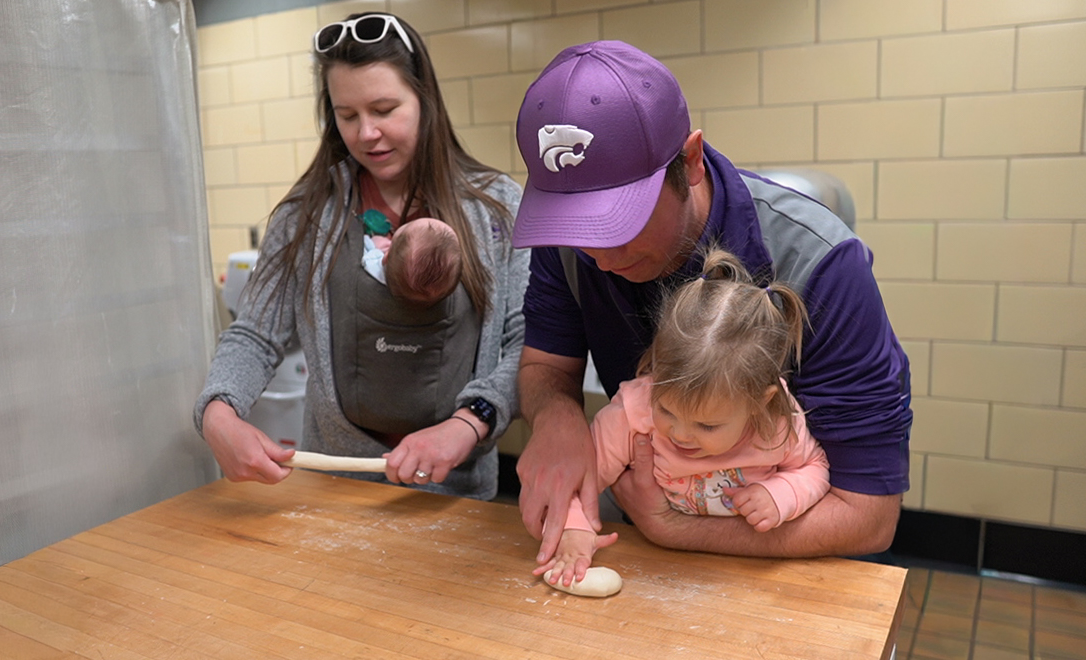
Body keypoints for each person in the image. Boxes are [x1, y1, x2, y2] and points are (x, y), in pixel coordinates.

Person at [512, 40, 912, 560]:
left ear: (691, 160)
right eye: (577, 226)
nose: (599, 256)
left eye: (618, 222)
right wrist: (555, 421)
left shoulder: (822, 264)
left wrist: (672, 528)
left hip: (778, 560)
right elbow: (544, 366)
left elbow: (869, 518)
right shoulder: (572, 245)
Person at [194, 12, 529, 501]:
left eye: (384, 108)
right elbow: (255, 333)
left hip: (456, 493)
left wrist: (469, 423)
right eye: (346, 115)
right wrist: (218, 412)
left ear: (425, 100)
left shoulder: (494, 208)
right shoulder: (306, 214)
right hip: (332, 484)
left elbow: (529, 340)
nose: (366, 132)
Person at [535, 249, 830, 587]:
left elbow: (815, 468)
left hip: (748, 568)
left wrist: (782, 494)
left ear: (759, 404)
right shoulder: (635, 413)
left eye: (708, 425)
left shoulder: (776, 424)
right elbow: (578, 478)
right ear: (654, 372)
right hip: (654, 564)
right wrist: (574, 528)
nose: (680, 434)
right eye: (667, 410)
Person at [361, 215, 463, 306]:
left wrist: (374, 244)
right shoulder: (440, 306)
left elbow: (366, 253)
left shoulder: (372, 266)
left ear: (386, 258)